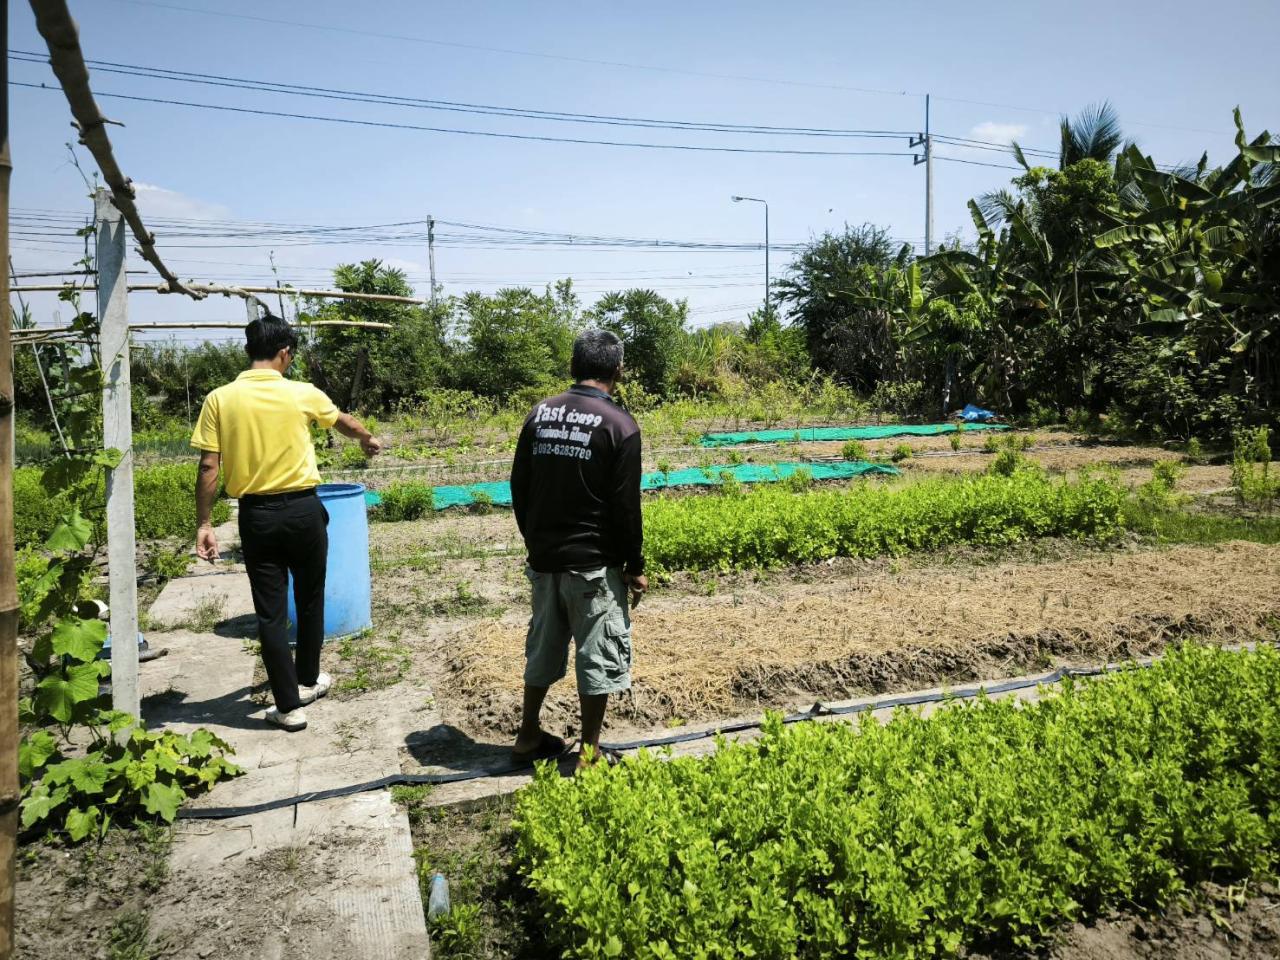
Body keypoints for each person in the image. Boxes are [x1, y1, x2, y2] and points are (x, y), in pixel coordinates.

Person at [190, 315, 382, 731]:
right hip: (303, 511)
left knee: (270, 612)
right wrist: (367, 438)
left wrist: (204, 523)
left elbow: (209, 465)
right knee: (311, 597)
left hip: (256, 515)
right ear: (284, 353)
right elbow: (343, 421)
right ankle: (309, 678)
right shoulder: (300, 393)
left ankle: (289, 705)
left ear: (249, 351)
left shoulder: (219, 399)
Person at [509, 328, 648, 770]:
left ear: (574, 366)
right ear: (617, 370)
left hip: (546, 560)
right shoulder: (620, 425)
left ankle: (528, 734)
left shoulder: (540, 414)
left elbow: (519, 487)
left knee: (543, 647)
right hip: (593, 565)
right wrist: (635, 563)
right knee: (597, 654)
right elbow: (627, 506)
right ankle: (589, 753)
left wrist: (536, 542)